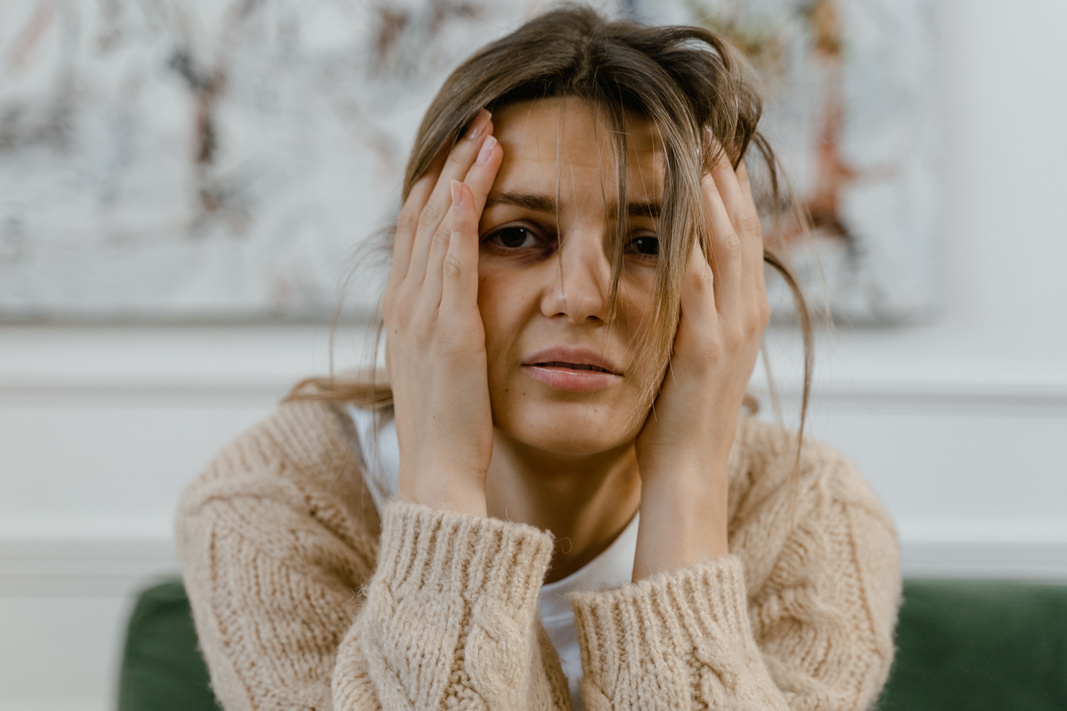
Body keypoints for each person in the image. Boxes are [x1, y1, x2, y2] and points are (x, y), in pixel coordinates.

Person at [176, 6, 901, 710]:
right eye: (519, 235)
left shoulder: (811, 518)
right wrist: (444, 483)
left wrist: (686, 483)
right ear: (427, 259)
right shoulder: (273, 504)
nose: (581, 297)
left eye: (645, 244)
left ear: (727, 282)